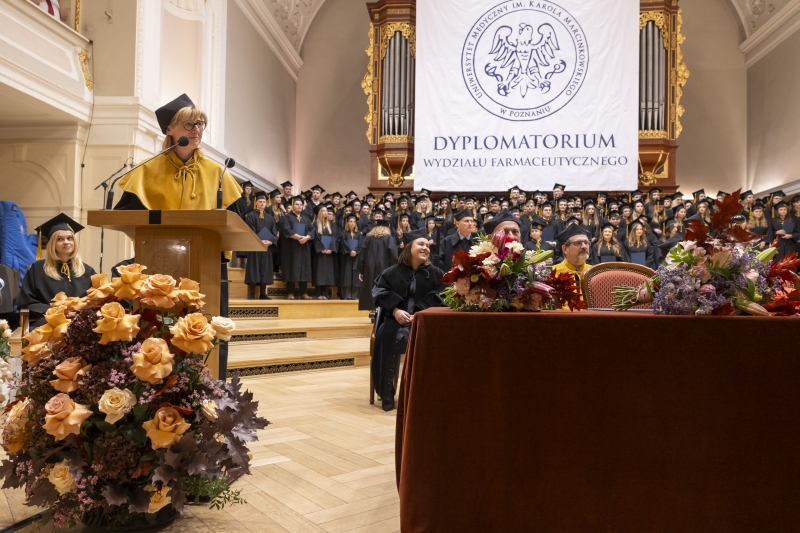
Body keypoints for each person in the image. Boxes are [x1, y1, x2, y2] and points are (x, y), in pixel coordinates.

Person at [114, 94, 242, 211]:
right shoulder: (146, 169)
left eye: (199, 123)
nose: (196, 130)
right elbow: (128, 218)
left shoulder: (218, 173)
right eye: (188, 124)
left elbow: (236, 226)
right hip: (157, 236)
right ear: (169, 129)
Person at [372, 229, 445, 411]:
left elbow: (443, 294)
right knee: (388, 338)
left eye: (427, 246)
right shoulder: (391, 272)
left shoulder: (436, 273)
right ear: (408, 247)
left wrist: (421, 311)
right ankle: (386, 392)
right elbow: (379, 291)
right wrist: (396, 310)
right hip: (395, 319)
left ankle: (422, 393)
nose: (425, 248)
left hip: (424, 321)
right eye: (421, 244)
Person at [19, 214, 96, 328]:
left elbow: (95, 301)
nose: (66, 242)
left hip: (80, 323)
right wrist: (54, 311)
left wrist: (78, 312)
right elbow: (27, 301)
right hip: (47, 322)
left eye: (69, 238)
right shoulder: (37, 270)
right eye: (60, 239)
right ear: (52, 244)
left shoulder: (87, 271)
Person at [356, 217, 398, 311]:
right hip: (383, 266)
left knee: (370, 286)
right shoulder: (388, 238)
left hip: (368, 266)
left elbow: (362, 254)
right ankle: (380, 309)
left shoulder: (368, 238)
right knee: (381, 287)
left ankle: (372, 309)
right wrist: (394, 269)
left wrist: (361, 270)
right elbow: (393, 255)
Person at [280, 196, 314, 299]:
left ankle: (303, 292)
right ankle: (290, 292)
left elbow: (312, 230)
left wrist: (307, 237)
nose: (299, 206)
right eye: (297, 204)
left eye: (300, 205)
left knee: (304, 269)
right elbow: (286, 229)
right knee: (291, 268)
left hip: (304, 247)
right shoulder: (287, 217)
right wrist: (298, 237)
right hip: (291, 247)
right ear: (293, 206)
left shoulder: (306, 219)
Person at [244, 192, 276, 300]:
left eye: (264, 202)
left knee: (265, 269)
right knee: (254, 269)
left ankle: (263, 293)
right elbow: (251, 230)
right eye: (260, 201)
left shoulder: (270, 218)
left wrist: (271, 241)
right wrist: (260, 240)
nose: (262, 203)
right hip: (255, 247)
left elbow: (274, 231)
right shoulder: (251, 216)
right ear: (256, 203)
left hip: (266, 247)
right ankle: (252, 294)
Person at [552, 224, 592, 300]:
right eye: (578, 243)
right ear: (565, 249)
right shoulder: (552, 273)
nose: (584, 246)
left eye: (586, 243)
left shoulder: (595, 273)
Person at [312, 205, 337, 300]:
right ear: (319, 213)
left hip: (328, 253)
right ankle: (319, 293)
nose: (325, 213)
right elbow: (315, 239)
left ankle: (325, 293)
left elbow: (333, 239)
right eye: (323, 211)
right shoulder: (315, 225)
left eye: (326, 211)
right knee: (319, 272)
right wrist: (321, 248)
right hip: (319, 253)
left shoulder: (329, 226)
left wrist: (331, 248)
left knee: (327, 273)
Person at [338, 214, 363, 300]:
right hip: (347, 258)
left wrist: (356, 251)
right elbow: (343, 244)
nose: (352, 223)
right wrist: (349, 251)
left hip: (356, 258)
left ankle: (355, 295)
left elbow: (360, 245)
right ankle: (347, 294)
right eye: (350, 222)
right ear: (347, 223)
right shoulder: (344, 233)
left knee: (355, 276)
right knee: (347, 275)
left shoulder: (359, 234)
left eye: (354, 222)